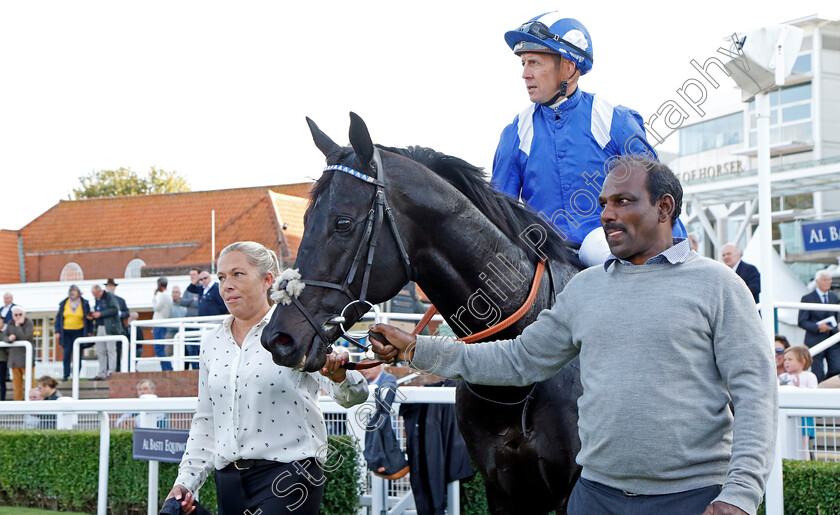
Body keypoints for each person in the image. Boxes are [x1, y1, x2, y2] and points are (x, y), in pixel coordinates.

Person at [372, 157, 777, 515]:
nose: (606, 214)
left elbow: (755, 391)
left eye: (623, 201)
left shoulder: (719, 285)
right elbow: (517, 360)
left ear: (664, 207)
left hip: (690, 498)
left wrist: (740, 493)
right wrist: (417, 348)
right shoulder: (583, 290)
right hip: (595, 497)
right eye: (603, 203)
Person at [166, 241, 368, 515]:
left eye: (238, 274)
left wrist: (340, 374)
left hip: (292, 473)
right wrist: (185, 483)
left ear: (267, 280)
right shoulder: (211, 343)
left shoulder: (299, 332)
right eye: (221, 277)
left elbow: (354, 395)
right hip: (229, 481)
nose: (226, 285)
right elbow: (206, 421)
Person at [492, 13, 685, 267]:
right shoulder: (514, 133)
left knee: (597, 247)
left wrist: (680, 252)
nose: (525, 74)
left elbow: (658, 194)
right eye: (523, 63)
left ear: (568, 67)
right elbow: (496, 213)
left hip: (606, 247)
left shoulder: (615, 120)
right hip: (542, 256)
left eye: (535, 63)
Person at [798, 269, 840, 383]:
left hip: (832, 339)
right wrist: (817, 327)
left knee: (836, 367)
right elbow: (801, 321)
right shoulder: (807, 298)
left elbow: (836, 317)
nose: (828, 282)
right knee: (817, 371)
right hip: (814, 339)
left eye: (829, 280)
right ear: (817, 281)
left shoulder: (834, 297)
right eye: (825, 280)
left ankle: (827, 386)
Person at [778, 346, 819, 460]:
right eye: (785, 359)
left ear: (802, 361)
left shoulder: (809, 376)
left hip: (804, 417)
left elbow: (813, 394)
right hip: (786, 417)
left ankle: (806, 462)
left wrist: (798, 387)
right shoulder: (782, 377)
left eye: (790, 359)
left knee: (804, 443)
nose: (786, 362)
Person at [54, 284, 93, 382]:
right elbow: (59, 318)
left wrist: (89, 331)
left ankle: (76, 375)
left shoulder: (84, 303)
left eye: (74, 291)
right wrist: (57, 331)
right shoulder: (64, 303)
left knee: (78, 354)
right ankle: (66, 374)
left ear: (78, 292)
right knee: (66, 353)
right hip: (66, 332)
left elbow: (89, 318)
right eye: (71, 291)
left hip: (79, 331)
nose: (72, 293)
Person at [2, 306, 36, 401]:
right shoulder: (10, 323)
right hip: (14, 360)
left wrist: (17, 327)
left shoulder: (28, 323)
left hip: (26, 359)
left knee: (31, 384)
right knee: (17, 386)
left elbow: (26, 337)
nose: (18, 316)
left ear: (24, 315)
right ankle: (18, 405)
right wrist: (9, 339)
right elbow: (4, 337)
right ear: (12, 315)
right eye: (16, 315)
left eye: (20, 314)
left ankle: (33, 404)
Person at [89, 284, 122, 380]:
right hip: (100, 326)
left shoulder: (109, 296)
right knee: (100, 350)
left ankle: (111, 372)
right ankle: (101, 372)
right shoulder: (97, 300)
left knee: (111, 350)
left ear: (100, 291)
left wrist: (101, 314)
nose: (96, 297)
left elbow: (115, 309)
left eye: (96, 294)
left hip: (109, 327)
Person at [105, 278, 130, 371]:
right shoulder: (104, 301)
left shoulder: (120, 300)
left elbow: (127, 313)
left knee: (118, 350)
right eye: (109, 287)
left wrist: (119, 314)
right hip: (108, 328)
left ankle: (117, 369)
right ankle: (109, 369)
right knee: (108, 350)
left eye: (112, 287)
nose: (110, 288)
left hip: (118, 328)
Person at [152, 277, 174, 371]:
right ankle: (166, 368)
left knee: (158, 348)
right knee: (160, 348)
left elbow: (156, 307)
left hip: (159, 323)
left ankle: (167, 368)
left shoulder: (162, 295)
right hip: (164, 323)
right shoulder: (169, 296)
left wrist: (154, 297)